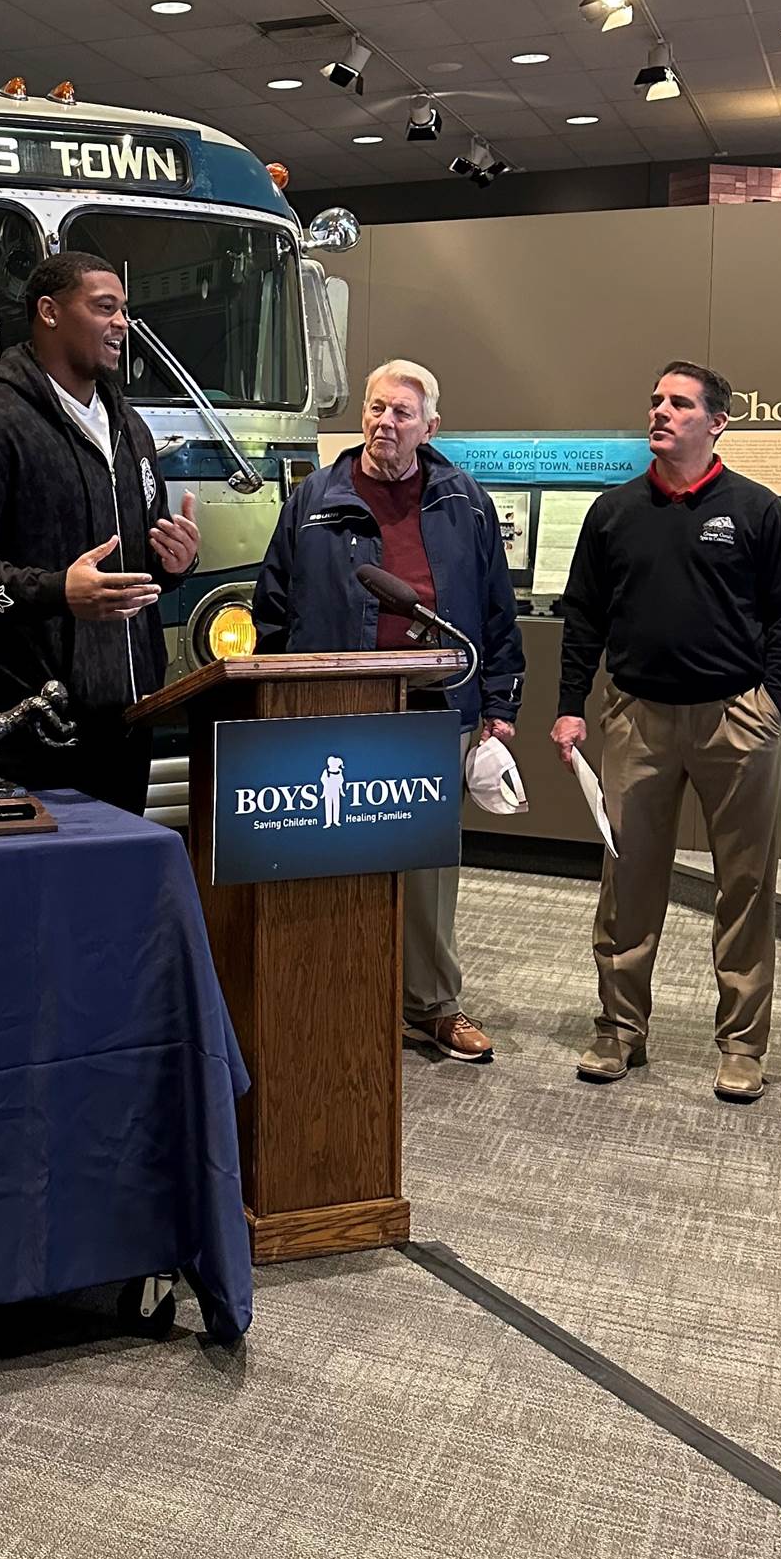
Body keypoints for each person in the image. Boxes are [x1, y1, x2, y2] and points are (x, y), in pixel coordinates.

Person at [553, 362, 781, 1104]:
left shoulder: (757, 510)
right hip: (636, 719)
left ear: (717, 422)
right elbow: (584, 618)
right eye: (655, 400)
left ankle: (740, 1044)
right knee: (627, 881)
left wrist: (771, 702)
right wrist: (572, 705)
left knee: (746, 887)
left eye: (678, 403)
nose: (660, 412)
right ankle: (619, 1030)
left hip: (736, 721)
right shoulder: (613, 512)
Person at [252, 359, 524, 1063]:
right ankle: (331, 995)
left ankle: (432, 1006)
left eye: (402, 413)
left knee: (430, 866)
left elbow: (496, 614)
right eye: (376, 409)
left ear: (431, 427)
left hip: (436, 705)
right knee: (331, 856)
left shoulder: (465, 504)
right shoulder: (314, 497)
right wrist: (279, 696)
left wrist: (500, 705)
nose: (385, 423)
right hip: (335, 707)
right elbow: (273, 609)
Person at [0, 251, 199, 815]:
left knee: (111, 891)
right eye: (104, 308)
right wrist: (56, 593)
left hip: (125, 720)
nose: (123, 323)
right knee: (30, 895)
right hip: (24, 729)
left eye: (124, 310)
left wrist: (173, 563)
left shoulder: (130, 428)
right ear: (48, 312)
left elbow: (131, 561)